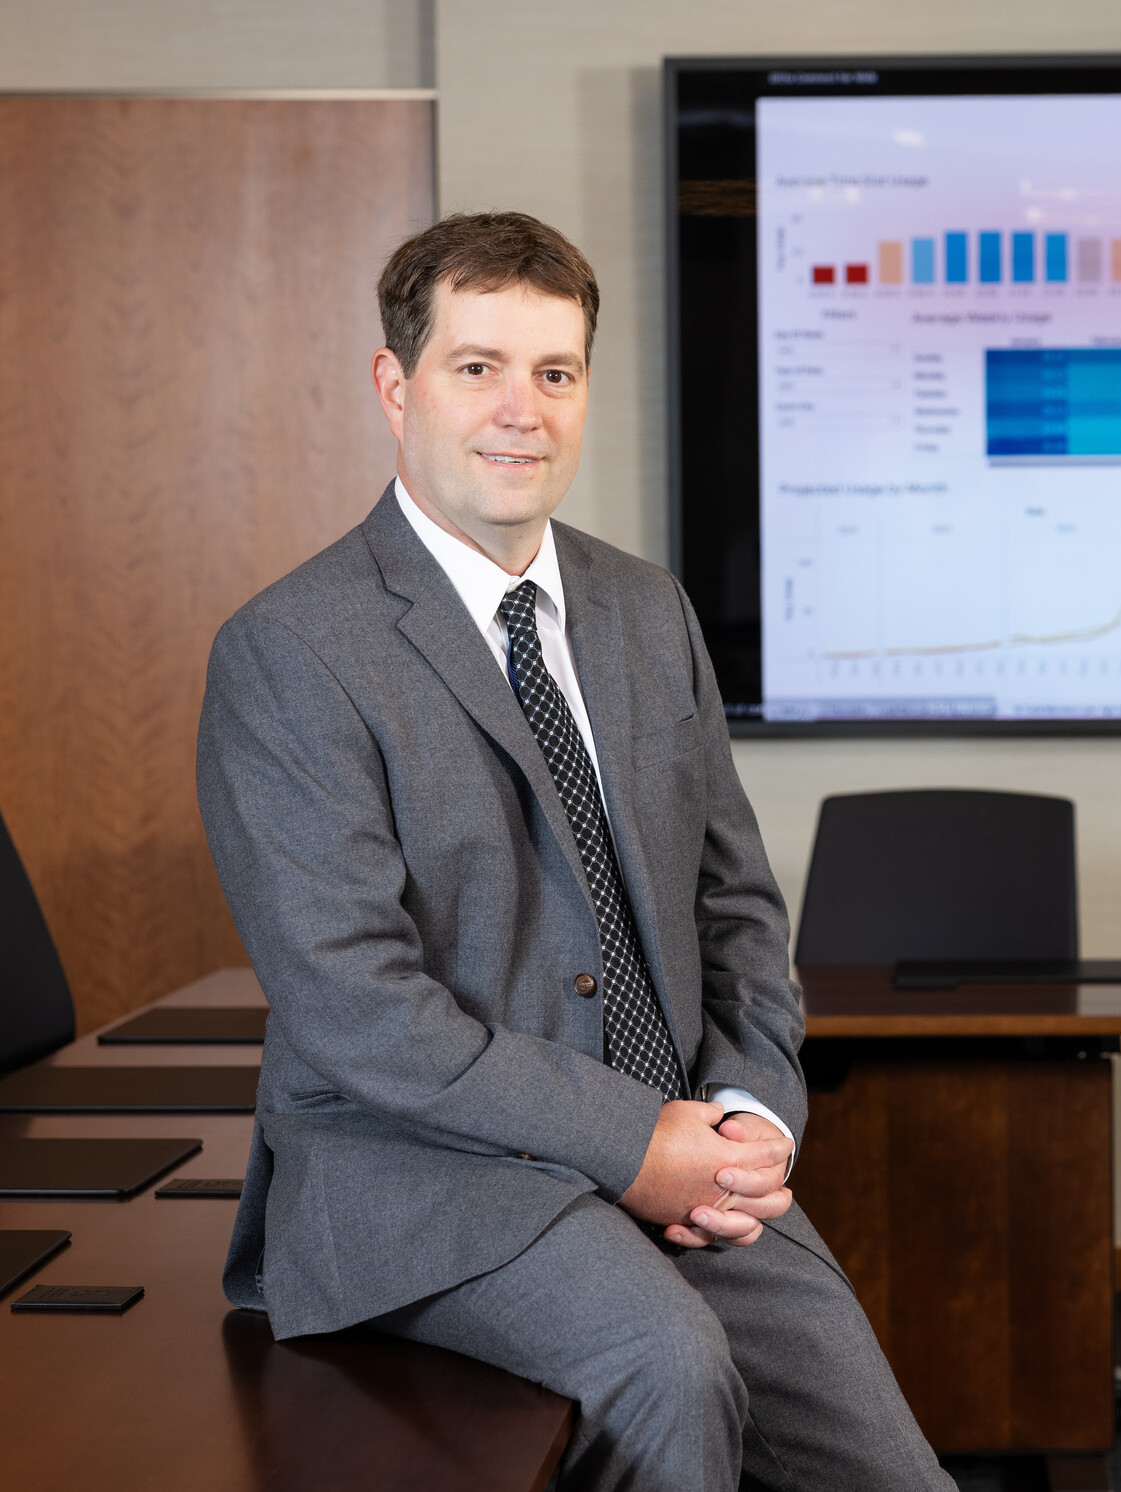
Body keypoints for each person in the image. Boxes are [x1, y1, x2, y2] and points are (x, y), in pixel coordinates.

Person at [197, 212, 952, 1491]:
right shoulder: (293, 649)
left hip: (682, 1141)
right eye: (476, 367)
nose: (522, 411)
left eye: (556, 373)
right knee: (669, 1366)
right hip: (428, 1176)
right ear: (397, 386)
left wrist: (751, 1112)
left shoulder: (645, 608)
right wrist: (634, 1142)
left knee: (889, 1469)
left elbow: (739, 908)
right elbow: (357, 1008)